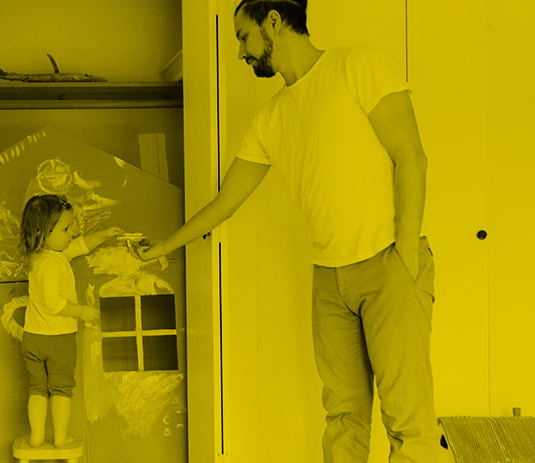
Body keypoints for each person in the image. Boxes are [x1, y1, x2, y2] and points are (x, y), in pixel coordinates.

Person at [137, 0, 439, 461]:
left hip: (388, 262)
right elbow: (227, 202)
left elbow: (411, 156)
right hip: (329, 279)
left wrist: (406, 257)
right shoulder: (270, 118)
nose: (240, 52)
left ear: (273, 21)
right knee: (343, 417)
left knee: (407, 420)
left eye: (243, 36)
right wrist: (165, 244)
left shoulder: (355, 65)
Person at [18, 194, 122, 448]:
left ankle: (36, 437)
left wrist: (105, 234)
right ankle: (61, 438)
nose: (71, 232)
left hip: (32, 336)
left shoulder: (43, 256)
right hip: (57, 339)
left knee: (37, 389)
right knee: (61, 390)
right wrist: (82, 311)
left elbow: (79, 246)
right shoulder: (52, 265)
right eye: (66, 228)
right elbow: (54, 303)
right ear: (45, 231)